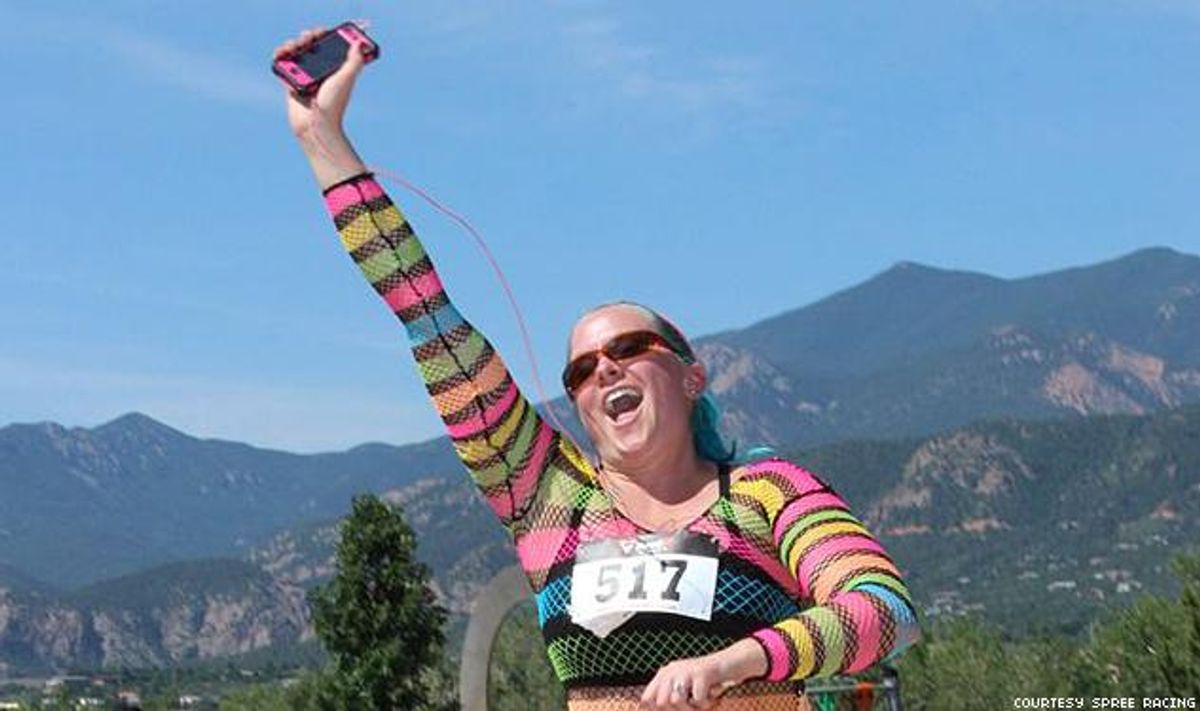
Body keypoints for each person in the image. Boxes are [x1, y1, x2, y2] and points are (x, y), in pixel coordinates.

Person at [275, 27, 920, 711]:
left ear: (692, 377)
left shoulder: (767, 491)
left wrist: (737, 660)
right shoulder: (544, 493)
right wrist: (321, 138)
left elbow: (884, 609)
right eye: (581, 370)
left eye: (630, 348)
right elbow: (424, 312)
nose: (604, 369)